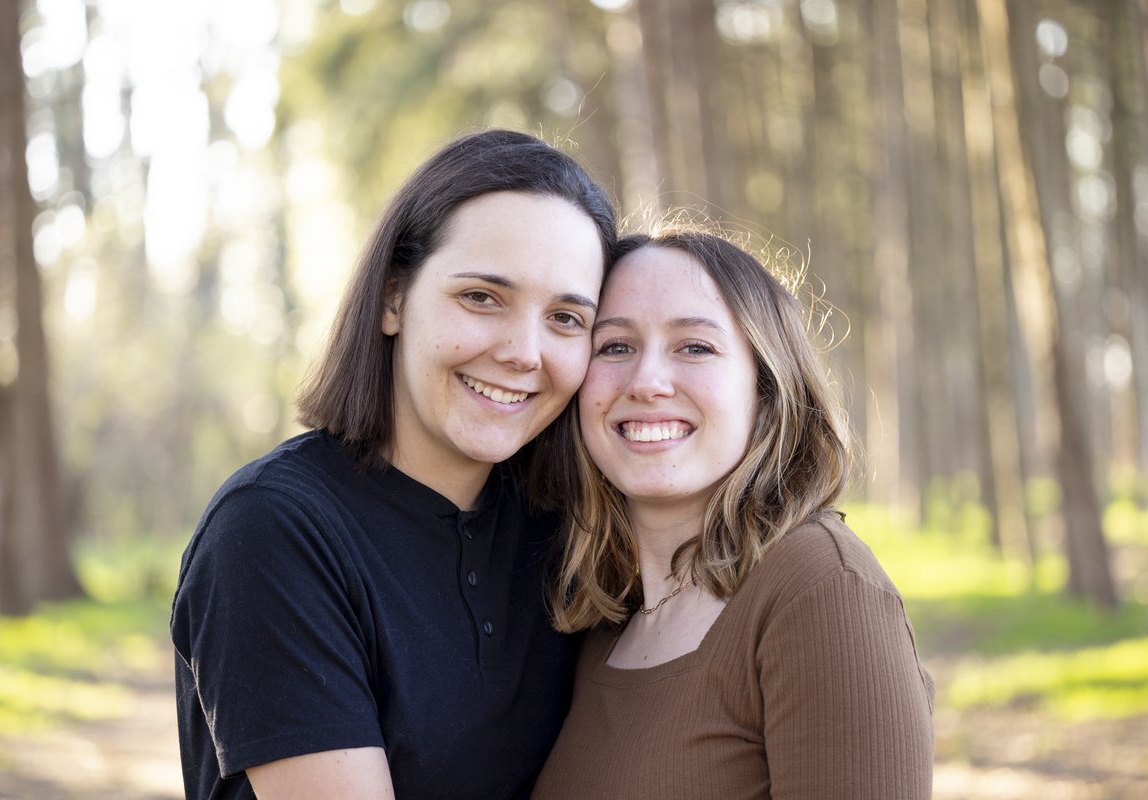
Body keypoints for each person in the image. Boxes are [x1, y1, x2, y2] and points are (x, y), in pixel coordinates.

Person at [170, 129, 618, 799]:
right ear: (392, 298)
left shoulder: (573, 530)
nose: (525, 352)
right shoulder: (271, 531)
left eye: (564, 317)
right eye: (482, 298)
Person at [532, 229, 935, 799]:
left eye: (694, 347)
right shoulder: (601, 618)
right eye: (615, 346)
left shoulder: (821, 587)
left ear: (766, 390)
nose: (647, 382)